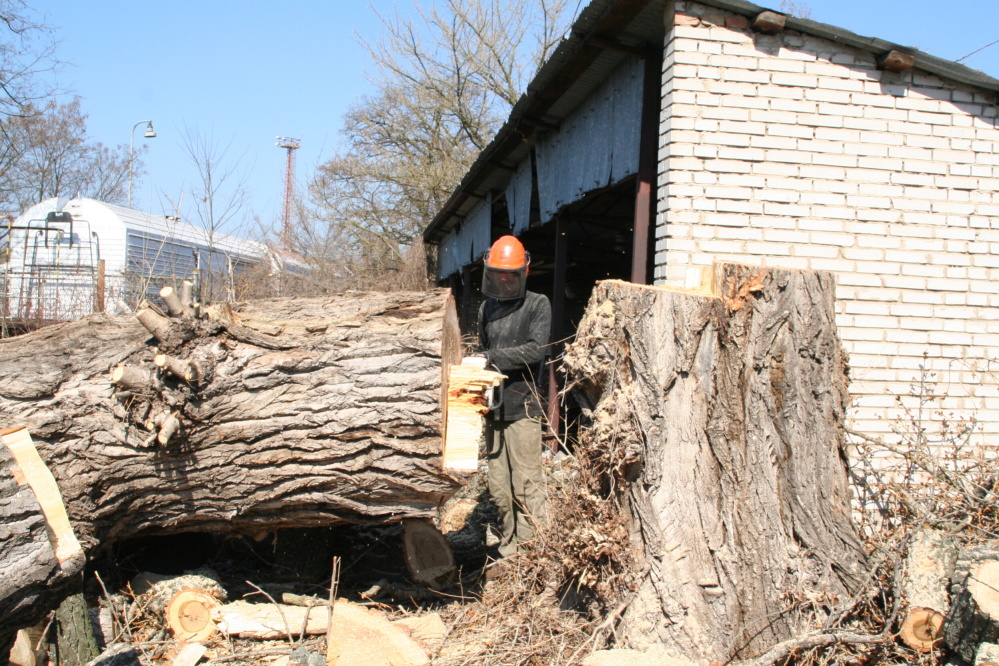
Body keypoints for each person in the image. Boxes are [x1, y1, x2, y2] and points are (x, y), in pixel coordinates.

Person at [477, 235, 551, 560]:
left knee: (526, 483)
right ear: (490, 273)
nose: (505, 279)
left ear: (523, 272)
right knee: (499, 487)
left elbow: (535, 351)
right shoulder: (486, 308)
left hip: (524, 405)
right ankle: (509, 550)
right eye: (499, 273)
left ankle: (534, 552)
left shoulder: (537, 304)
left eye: (510, 274)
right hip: (494, 408)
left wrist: (490, 357)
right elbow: (482, 350)